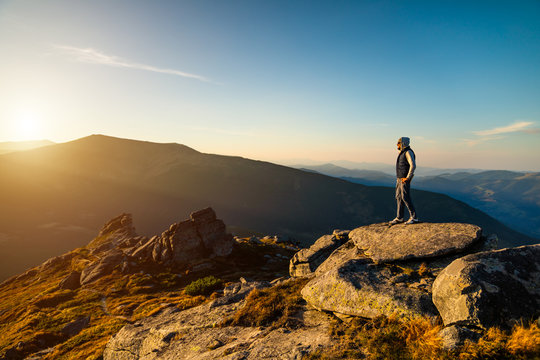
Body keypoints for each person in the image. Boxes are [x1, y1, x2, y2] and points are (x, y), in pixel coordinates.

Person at [390, 137, 419, 225]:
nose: (397, 145)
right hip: (399, 178)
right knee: (399, 197)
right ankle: (400, 217)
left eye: (398, 143)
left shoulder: (408, 152)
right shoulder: (403, 152)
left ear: (403, 143)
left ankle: (414, 217)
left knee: (405, 197)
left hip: (404, 179)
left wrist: (408, 177)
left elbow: (413, 165)